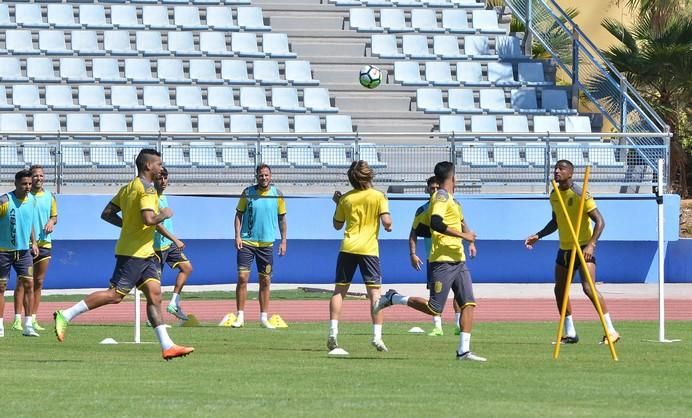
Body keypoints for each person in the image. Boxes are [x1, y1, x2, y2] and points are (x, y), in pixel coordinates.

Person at [53, 149, 194, 360]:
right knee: (115, 296)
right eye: (158, 164)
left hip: (146, 253)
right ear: (148, 166)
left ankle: (167, 346)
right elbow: (148, 219)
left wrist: (128, 225)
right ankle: (66, 314)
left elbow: (107, 214)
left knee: (155, 295)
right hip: (133, 254)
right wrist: (163, 214)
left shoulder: (128, 188)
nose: (161, 168)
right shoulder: (147, 190)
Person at [375, 161, 486, 361]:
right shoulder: (441, 197)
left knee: (469, 303)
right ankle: (394, 298)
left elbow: (456, 223)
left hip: (458, 260)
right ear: (453, 178)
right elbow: (435, 223)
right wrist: (464, 237)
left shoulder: (454, 201)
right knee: (435, 308)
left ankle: (464, 351)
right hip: (441, 260)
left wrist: (467, 237)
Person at [524, 160, 620, 345]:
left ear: (570, 173)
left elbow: (600, 222)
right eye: (555, 168)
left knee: (588, 288)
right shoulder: (554, 194)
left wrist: (591, 245)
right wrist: (539, 235)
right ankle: (570, 333)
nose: (557, 171)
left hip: (583, 248)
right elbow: (556, 221)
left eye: (561, 169)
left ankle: (611, 331)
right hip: (565, 248)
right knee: (559, 290)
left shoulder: (580, 193)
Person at [327, 160, 392, 353]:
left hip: (348, 247)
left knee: (339, 291)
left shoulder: (346, 199)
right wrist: (388, 225)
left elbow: (337, 225)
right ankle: (377, 337)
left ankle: (333, 332)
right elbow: (387, 221)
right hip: (369, 250)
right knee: (375, 294)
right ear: (369, 176)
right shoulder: (379, 196)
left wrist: (338, 204)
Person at [232, 164, 287, 329]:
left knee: (265, 280)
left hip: (267, 245)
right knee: (242, 278)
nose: (264, 178)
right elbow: (238, 215)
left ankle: (264, 318)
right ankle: (240, 316)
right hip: (247, 242)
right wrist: (237, 235)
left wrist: (284, 240)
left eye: (266, 175)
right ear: (256, 176)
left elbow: (282, 219)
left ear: (271, 176)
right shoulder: (247, 193)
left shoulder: (277, 194)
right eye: (261, 175)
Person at [409, 176, 465, 337]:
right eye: (431, 188)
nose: (434, 191)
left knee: (459, 293)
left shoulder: (453, 203)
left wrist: (470, 241)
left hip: (454, 255)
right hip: (434, 257)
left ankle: (457, 324)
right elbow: (413, 233)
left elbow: (462, 224)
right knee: (435, 295)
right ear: (427, 189)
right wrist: (413, 253)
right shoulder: (423, 210)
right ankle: (437, 327)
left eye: (436, 187)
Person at [12, 165, 57, 333]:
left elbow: (54, 216)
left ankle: (33, 318)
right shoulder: (24, 196)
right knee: (23, 282)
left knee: (38, 282)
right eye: (35, 176)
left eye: (41, 175)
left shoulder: (50, 196)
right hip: (26, 245)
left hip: (45, 243)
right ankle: (17, 318)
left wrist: (51, 222)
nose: (39, 178)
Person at [0, 170, 39, 338]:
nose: (28, 187)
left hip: (23, 253)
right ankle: (0, 325)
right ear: (15, 184)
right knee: (1, 288)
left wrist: (34, 242)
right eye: (24, 184)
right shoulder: (4, 201)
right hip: (3, 252)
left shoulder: (32, 200)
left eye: (30, 184)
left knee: (29, 285)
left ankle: (28, 325)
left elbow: (29, 222)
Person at [154, 167, 192, 321]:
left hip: (168, 246)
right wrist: (175, 239)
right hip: (155, 248)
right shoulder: (152, 198)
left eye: (165, 178)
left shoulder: (163, 197)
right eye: (160, 178)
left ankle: (173, 303)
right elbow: (157, 225)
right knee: (154, 285)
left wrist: (172, 241)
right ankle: (153, 317)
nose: (163, 181)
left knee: (187, 268)